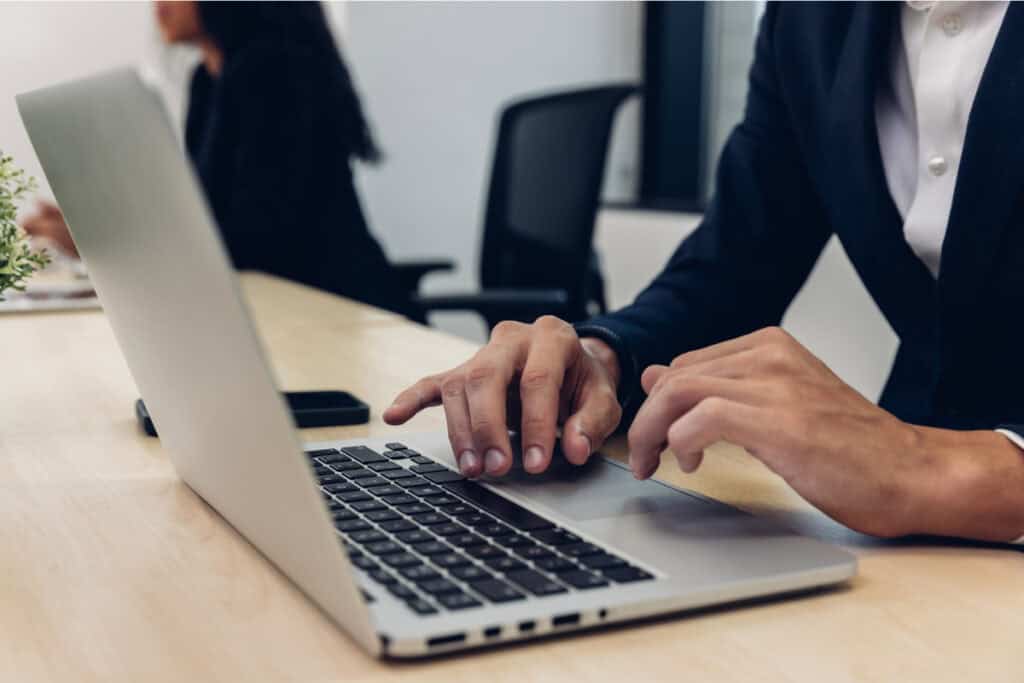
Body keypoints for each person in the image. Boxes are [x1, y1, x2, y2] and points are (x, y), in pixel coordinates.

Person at [384, 1, 1024, 544]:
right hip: (909, 549)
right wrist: (598, 357)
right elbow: (732, 270)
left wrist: (927, 467)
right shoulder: (808, 20)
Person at [23, 1, 409, 316]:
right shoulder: (206, 81)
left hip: (336, 310)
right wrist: (102, 234)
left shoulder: (277, 72)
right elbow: (208, 224)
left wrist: (108, 240)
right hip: (272, 309)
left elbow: (251, 241)